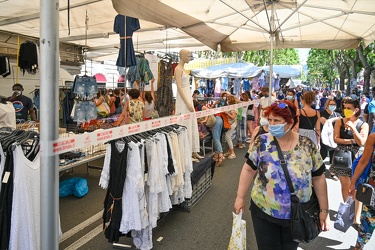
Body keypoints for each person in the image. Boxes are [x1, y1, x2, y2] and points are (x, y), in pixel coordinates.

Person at [234, 100, 330, 249]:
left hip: (297, 213)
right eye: (270, 120)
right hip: (264, 210)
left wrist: (324, 210)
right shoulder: (262, 142)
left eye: (277, 120)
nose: (272, 124)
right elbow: (248, 169)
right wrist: (240, 197)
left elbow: (318, 178)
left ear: (291, 122)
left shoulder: (307, 145)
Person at [332, 99, 369, 226]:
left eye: (348, 108)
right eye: (344, 107)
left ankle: (356, 217)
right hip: (342, 156)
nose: (345, 110)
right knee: (346, 186)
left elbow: (362, 142)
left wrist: (353, 129)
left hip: (357, 157)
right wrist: (350, 141)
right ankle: (349, 211)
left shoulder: (363, 124)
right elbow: (336, 139)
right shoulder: (339, 122)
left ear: (356, 109)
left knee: (357, 187)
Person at [174, 49, 202, 161]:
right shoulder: (177, 69)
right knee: (185, 123)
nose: (189, 57)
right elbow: (179, 87)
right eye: (188, 56)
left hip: (187, 96)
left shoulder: (184, 69)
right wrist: (187, 102)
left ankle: (193, 150)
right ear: (182, 56)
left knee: (191, 123)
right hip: (183, 99)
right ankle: (186, 154)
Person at [349, 133, 375, 250]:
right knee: (367, 224)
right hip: (373, 191)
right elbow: (363, 161)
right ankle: (358, 247)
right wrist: (353, 182)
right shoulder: (373, 137)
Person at [223, 95, 238, 160]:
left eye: (228, 99)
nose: (227, 100)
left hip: (232, 124)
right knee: (229, 137)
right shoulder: (231, 107)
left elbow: (233, 117)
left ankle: (232, 152)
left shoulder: (233, 108)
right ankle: (229, 151)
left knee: (227, 136)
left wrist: (226, 113)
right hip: (230, 123)